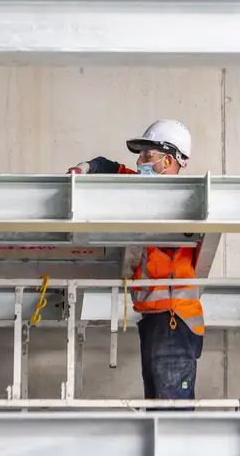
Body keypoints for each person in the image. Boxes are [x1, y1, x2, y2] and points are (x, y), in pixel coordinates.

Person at [68, 119, 204, 406]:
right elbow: (108, 166)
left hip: (174, 320)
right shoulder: (145, 193)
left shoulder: (184, 201)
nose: (140, 161)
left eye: (146, 155)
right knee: (157, 410)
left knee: (170, 414)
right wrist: (83, 169)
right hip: (157, 319)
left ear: (168, 160)